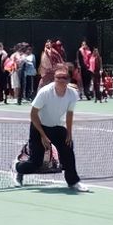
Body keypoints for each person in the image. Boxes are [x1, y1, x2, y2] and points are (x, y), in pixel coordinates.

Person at [14, 63, 87, 192]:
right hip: (38, 127)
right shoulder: (45, 92)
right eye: (58, 77)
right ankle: (18, 168)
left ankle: (73, 181)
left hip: (56, 126)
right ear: (54, 78)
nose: (60, 80)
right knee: (35, 163)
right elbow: (33, 114)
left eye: (64, 77)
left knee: (68, 152)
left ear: (68, 79)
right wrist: (43, 135)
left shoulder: (72, 94)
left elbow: (70, 114)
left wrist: (69, 133)